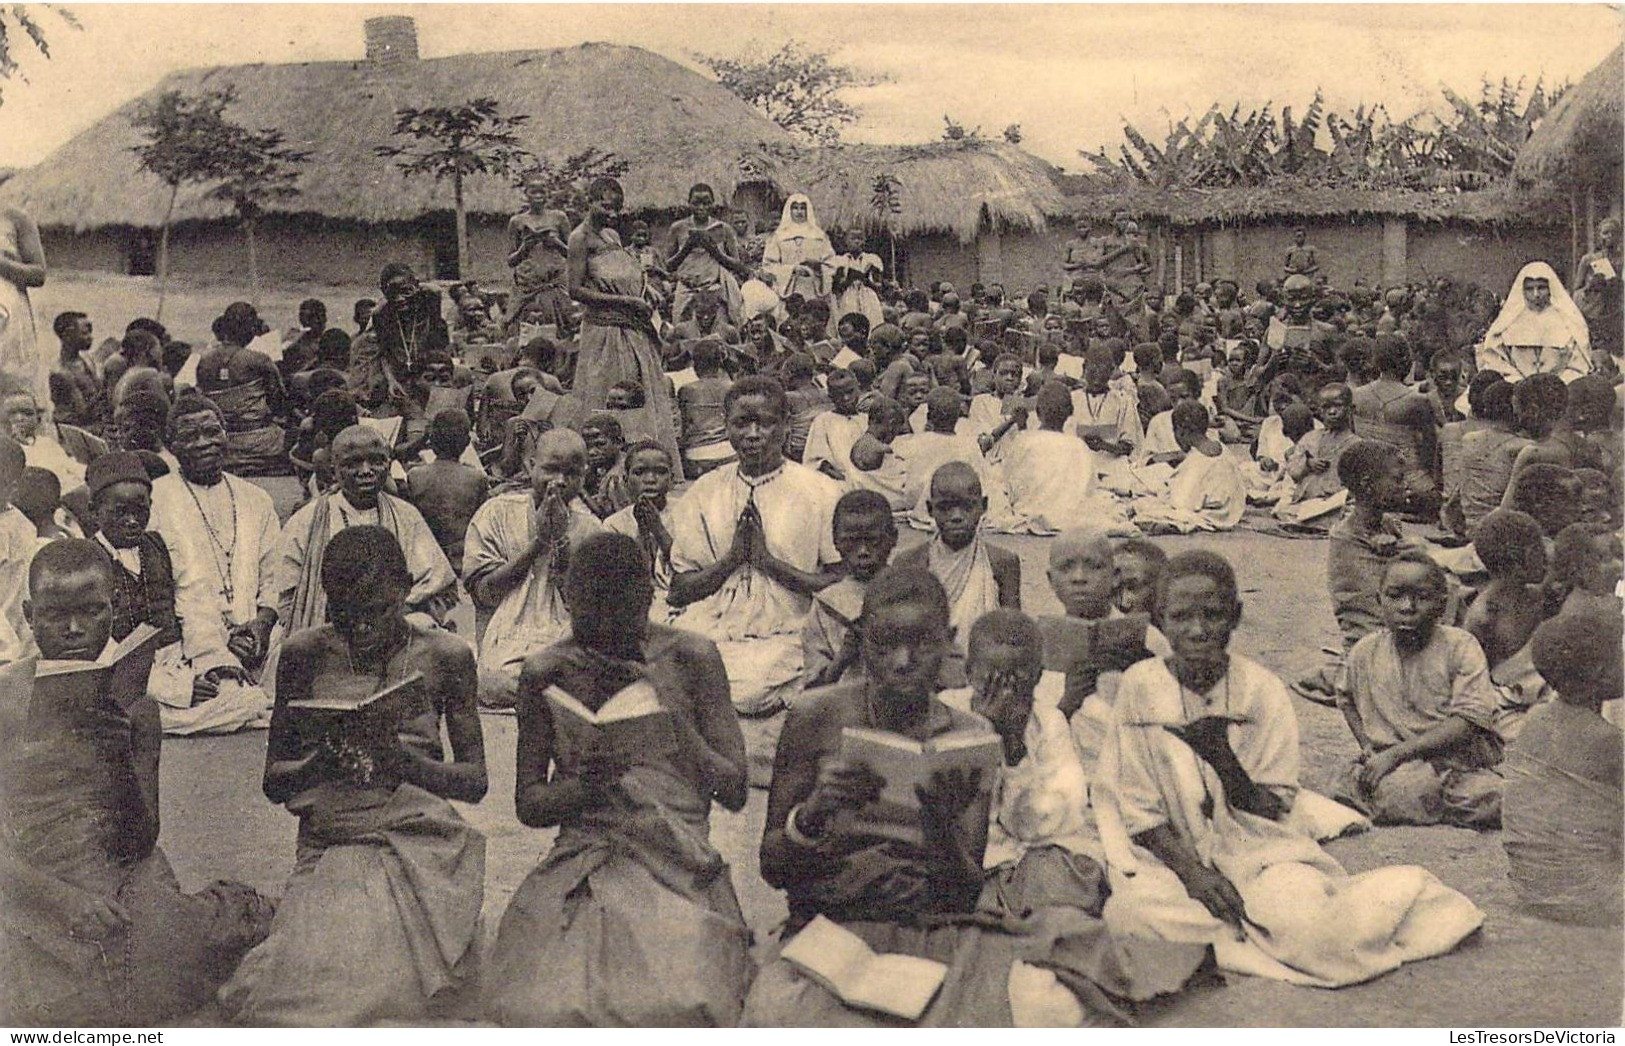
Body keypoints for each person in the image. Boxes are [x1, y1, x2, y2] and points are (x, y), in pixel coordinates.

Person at [747, 567, 1172, 1026]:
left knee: (1051, 1000)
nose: (903, 661)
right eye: (883, 644)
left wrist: (938, 830)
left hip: (931, 927)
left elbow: (963, 893)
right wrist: (812, 814)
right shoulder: (817, 716)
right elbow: (772, 869)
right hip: (832, 926)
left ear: (949, 642)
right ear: (862, 640)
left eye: (922, 644)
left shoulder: (968, 737)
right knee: (782, 1015)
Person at [1097, 550, 1485, 986]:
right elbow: (1136, 809)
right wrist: (1194, 875)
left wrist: (1222, 760)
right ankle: (1243, 929)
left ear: (1236, 616)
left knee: (1316, 935)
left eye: (1213, 615)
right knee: (1130, 916)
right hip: (1171, 858)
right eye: (1181, 617)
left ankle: (1399, 899)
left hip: (1259, 853)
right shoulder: (1140, 687)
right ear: (1159, 621)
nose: (1198, 630)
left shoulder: (1261, 691)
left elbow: (1272, 808)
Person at [219, 527, 487, 1025]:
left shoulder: (446, 655)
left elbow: (474, 781)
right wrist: (325, 761)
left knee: (390, 987)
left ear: (406, 589)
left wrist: (404, 763)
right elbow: (275, 781)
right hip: (333, 840)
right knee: (306, 992)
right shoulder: (303, 653)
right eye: (346, 615)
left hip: (418, 836)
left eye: (378, 612)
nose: (362, 628)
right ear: (327, 600)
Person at [1, 539, 274, 1026]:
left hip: (119, 867)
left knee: (152, 975)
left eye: (92, 612)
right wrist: (59, 899)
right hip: (24, 876)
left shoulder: (137, 706)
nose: (74, 630)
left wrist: (120, 749)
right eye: (55, 615)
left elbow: (141, 837)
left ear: (114, 609)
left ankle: (232, 909)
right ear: (28, 613)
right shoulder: (4, 699)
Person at [485, 533, 751, 1025]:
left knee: (682, 1002)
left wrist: (676, 721)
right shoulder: (546, 669)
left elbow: (735, 790)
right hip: (587, 854)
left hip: (676, 857)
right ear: (568, 601)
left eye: (621, 622)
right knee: (542, 1005)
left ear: (647, 597)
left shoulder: (692, 657)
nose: (604, 639)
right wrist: (584, 787)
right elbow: (529, 804)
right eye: (590, 625)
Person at [669, 376, 841, 778]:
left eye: (764, 423)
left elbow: (840, 586)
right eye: (741, 424)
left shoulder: (820, 491)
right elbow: (680, 589)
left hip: (787, 630)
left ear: (785, 425)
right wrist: (732, 560)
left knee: (753, 684)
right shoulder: (705, 491)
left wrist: (767, 562)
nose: (752, 435)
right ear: (726, 427)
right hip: (713, 626)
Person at [1337, 553, 1503, 828]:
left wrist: (1398, 754)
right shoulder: (1365, 651)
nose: (1408, 607)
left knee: (1501, 798)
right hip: (1397, 766)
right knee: (1397, 791)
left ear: (1443, 604)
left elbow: (1468, 721)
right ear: (1379, 601)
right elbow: (1345, 698)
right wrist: (1369, 748)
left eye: (1422, 597)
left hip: (1456, 762)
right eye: (1395, 596)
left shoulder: (1460, 646)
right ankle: (1423, 799)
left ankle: (1425, 798)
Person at [146, 393, 280, 735]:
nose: (204, 443)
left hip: (258, 636)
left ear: (226, 433)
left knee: (298, 661)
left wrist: (261, 626)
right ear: (171, 445)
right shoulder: (155, 499)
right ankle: (248, 702)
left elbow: (275, 577)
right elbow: (162, 594)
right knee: (238, 698)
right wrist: (217, 647)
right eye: (190, 437)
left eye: (212, 431)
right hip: (195, 641)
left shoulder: (256, 498)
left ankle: (254, 701)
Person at [272, 425, 457, 640]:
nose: (366, 470)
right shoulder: (307, 521)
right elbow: (289, 596)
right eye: (353, 463)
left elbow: (437, 584)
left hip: (397, 627)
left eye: (376, 461)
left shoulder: (407, 515)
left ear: (388, 465)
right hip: (331, 629)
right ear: (334, 470)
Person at [464, 427, 603, 708]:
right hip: (509, 631)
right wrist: (539, 543)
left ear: (584, 475)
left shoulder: (591, 528)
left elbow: (587, 606)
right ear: (530, 466)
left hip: (564, 631)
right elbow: (484, 594)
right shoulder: (497, 511)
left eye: (572, 473)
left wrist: (562, 543)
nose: (560, 481)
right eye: (550, 470)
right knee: (496, 681)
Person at [1502, 611, 1622, 926]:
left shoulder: (1534, 719)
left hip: (1532, 887)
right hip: (1595, 895)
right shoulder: (1607, 739)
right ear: (1600, 671)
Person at [569, 177, 682, 469]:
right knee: (609, 396)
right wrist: (627, 303)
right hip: (605, 333)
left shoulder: (612, 237)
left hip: (633, 331)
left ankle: (639, 464)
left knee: (636, 395)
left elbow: (628, 276)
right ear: (589, 202)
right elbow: (576, 290)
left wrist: (647, 292)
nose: (612, 214)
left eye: (617, 208)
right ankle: (602, 466)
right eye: (605, 206)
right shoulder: (579, 239)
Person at [894, 462, 1021, 670]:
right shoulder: (910, 562)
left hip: (984, 669)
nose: (956, 516)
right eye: (945, 508)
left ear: (983, 506)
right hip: (927, 670)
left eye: (967, 506)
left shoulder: (1002, 562)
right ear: (929, 509)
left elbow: (1013, 631)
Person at [1462, 510, 1551, 743]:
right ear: (1518, 564)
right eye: (1539, 551)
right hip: (1507, 702)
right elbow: (1472, 675)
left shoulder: (1539, 596)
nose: (1547, 558)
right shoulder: (1484, 615)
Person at [801, 489, 898, 691]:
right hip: (845, 706)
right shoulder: (827, 604)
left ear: (893, 538)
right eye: (852, 542)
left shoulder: (909, 591)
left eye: (873, 541)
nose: (863, 552)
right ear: (836, 541)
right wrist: (844, 656)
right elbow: (813, 688)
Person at [1326, 440, 1416, 653]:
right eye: (1398, 479)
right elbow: (1370, 613)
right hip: (1373, 648)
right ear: (1367, 484)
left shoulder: (1387, 525)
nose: (1405, 486)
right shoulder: (1346, 539)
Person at [1002, 382, 1116, 534]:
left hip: (1031, 509)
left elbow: (1009, 482)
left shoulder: (1024, 441)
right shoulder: (1078, 446)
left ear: (1037, 412)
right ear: (1070, 413)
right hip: (1071, 514)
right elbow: (1089, 489)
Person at [196, 303, 289, 477]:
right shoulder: (258, 359)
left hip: (221, 441)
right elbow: (279, 402)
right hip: (260, 441)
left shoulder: (204, 360)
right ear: (252, 329)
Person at [1130, 401, 1246, 534]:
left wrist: (1163, 491)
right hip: (1231, 511)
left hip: (1213, 514)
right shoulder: (1224, 450)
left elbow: (1182, 503)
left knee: (1144, 507)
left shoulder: (1195, 461)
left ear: (1181, 431)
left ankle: (1174, 526)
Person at [1350, 336, 1437, 508]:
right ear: (1405, 361)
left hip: (1365, 474)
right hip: (1407, 476)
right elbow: (1429, 448)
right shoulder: (1417, 400)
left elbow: (1352, 437)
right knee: (1432, 499)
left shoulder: (1356, 395)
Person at [403, 409, 489, 578]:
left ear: (432, 440)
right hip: (462, 559)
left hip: (426, 558)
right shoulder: (476, 477)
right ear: (466, 443)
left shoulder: (415, 476)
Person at [353, 264, 451, 408]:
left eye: (405, 291)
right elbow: (384, 353)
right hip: (397, 369)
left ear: (416, 286)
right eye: (392, 293)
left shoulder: (429, 299)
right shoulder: (381, 314)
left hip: (426, 365)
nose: (399, 299)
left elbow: (438, 341)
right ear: (384, 292)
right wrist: (391, 380)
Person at [1477, 262, 1592, 383]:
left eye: (1541, 288)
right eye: (1529, 289)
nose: (1536, 294)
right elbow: (1495, 360)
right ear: (1522, 290)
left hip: (1559, 389)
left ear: (1550, 288)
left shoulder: (1568, 321)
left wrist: (1559, 384)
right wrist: (1516, 381)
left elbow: (1578, 364)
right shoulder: (1509, 321)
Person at [602, 440, 678, 622]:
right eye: (639, 472)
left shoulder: (687, 512)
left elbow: (691, 568)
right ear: (626, 480)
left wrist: (658, 530)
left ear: (672, 479)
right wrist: (642, 533)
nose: (650, 480)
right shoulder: (614, 524)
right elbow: (621, 579)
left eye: (660, 472)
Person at [668, 183, 749, 326]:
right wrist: (687, 247)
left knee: (717, 336)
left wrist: (715, 252)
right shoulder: (678, 228)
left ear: (712, 203)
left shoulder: (724, 229)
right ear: (689, 204)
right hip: (686, 290)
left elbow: (738, 265)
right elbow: (667, 266)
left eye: (706, 203)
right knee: (682, 334)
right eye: (696, 203)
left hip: (714, 291)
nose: (701, 207)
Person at [1454, 378, 1527, 534]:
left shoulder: (1469, 439)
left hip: (1470, 524)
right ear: (1517, 409)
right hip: (1496, 530)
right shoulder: (1521, 447)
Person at [1278, 381, 1357, 519]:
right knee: (1289, 509)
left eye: (1338, 406)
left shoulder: (1356, 444)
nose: (1332, 412)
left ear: (1351, 409)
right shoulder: (1310, 438)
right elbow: (1293, 472)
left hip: (1335, 500)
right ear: (1319, 410)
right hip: (1307, 500)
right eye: (1326, 407)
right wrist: (1307, 464)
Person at [507, 175, 573, 334]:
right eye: (533, 192)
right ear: (526, 194)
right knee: (523, 330)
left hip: (555, 284)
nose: (538, 196)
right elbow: (510, 261)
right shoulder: (517, 221)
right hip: (528, 286)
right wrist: (525, 248)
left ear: (548, 194)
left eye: (542, 192)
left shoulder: (559, 217)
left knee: (562, 329)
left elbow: (573, 254)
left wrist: (556, 243)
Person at [0, 204, 46, 406]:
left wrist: (2, 264)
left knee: (12, 386)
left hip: (9, 317)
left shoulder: (15, 217)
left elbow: (38, 274)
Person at [676, 338, 735, 479]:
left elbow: (682, 428)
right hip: (729, 455)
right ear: (720, 363)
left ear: (695, 365)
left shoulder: (686, 390)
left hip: (696, 459)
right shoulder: (732, 388)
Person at [762, 193, 834, 306]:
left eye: (803, 208)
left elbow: (831, 264)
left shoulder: (819, 236)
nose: (799, 212)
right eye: (795, 208)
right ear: (789, 210)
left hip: (814, 288)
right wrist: (792, 269)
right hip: (787, 289)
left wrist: (818, 267)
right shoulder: (779, 236)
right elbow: (768, 266)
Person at [802, 367, 865, 481]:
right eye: (839, 395)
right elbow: (816, 461)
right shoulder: (823, 421)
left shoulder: (866, 419)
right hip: (839, 482)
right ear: (831, 397)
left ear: (858, 388)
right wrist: (844, 479)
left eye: (850, 392)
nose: (846, 398)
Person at [48, 310, 104, 435]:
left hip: (91, 426)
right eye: (84, 333)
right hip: (74, 433)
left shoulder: (87, 360)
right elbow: (82, 413)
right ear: (68, 335)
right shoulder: (61, 373)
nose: (91, 337)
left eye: (90, 332)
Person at [828, 227, 885, 333]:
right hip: (847, 298)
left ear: (864, 241)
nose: (857, 242)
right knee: (850, 326)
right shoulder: (839, 261)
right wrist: (850, 278)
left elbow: (879, 285)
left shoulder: (873, 259)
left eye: (860, 238)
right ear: (846, 241)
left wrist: (866, 280)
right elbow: (836, 288)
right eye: (853, 238)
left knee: (872, 324)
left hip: (868, 297)